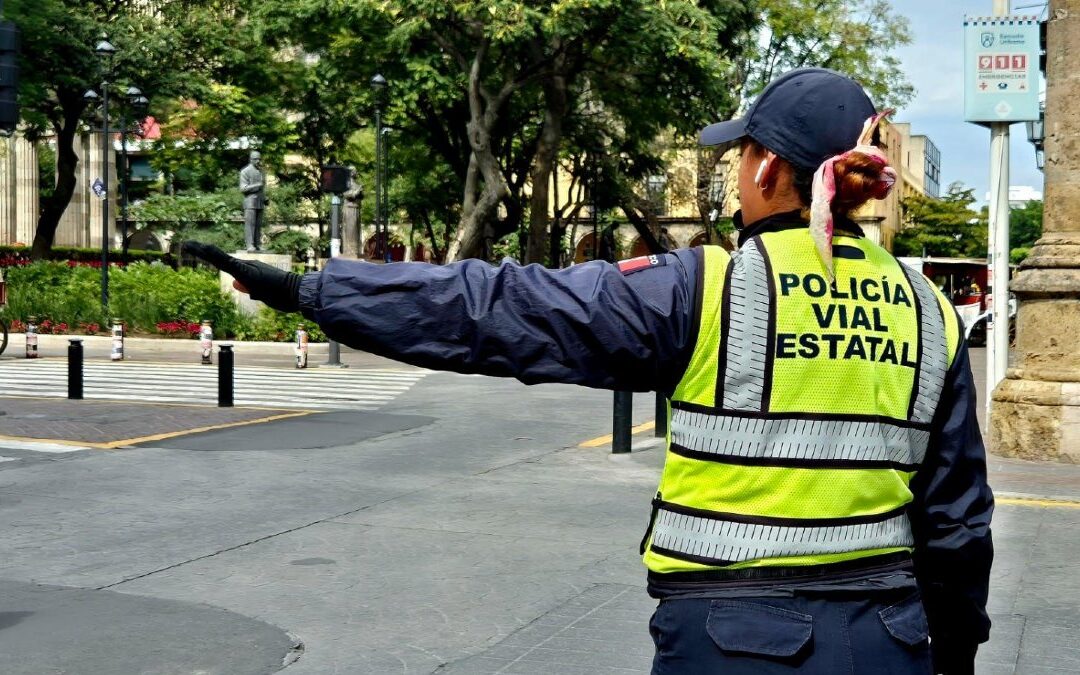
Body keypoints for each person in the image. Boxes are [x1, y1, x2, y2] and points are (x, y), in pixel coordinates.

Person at [185, 67, 993, 674]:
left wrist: (315, 290)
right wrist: (949, 654)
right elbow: (958, 520)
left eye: (742, 151)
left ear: (769, 169)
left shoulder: (706, 287)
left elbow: (501, 308)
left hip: (734, 643)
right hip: (890, 639)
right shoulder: (927, 310)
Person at [239, 151, 267, 252]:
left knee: (258, 225)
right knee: (250, 224)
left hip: (260, 201)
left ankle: (257, 244)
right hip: (250, 201)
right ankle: (250, 245)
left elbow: (262, 189)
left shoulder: (261, 172)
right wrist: (257, 185)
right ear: (250, 160)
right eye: (255, 159)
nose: (258, 161)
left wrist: (265, 198)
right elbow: (243, 188)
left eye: (259, 159)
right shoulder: (245, 171)